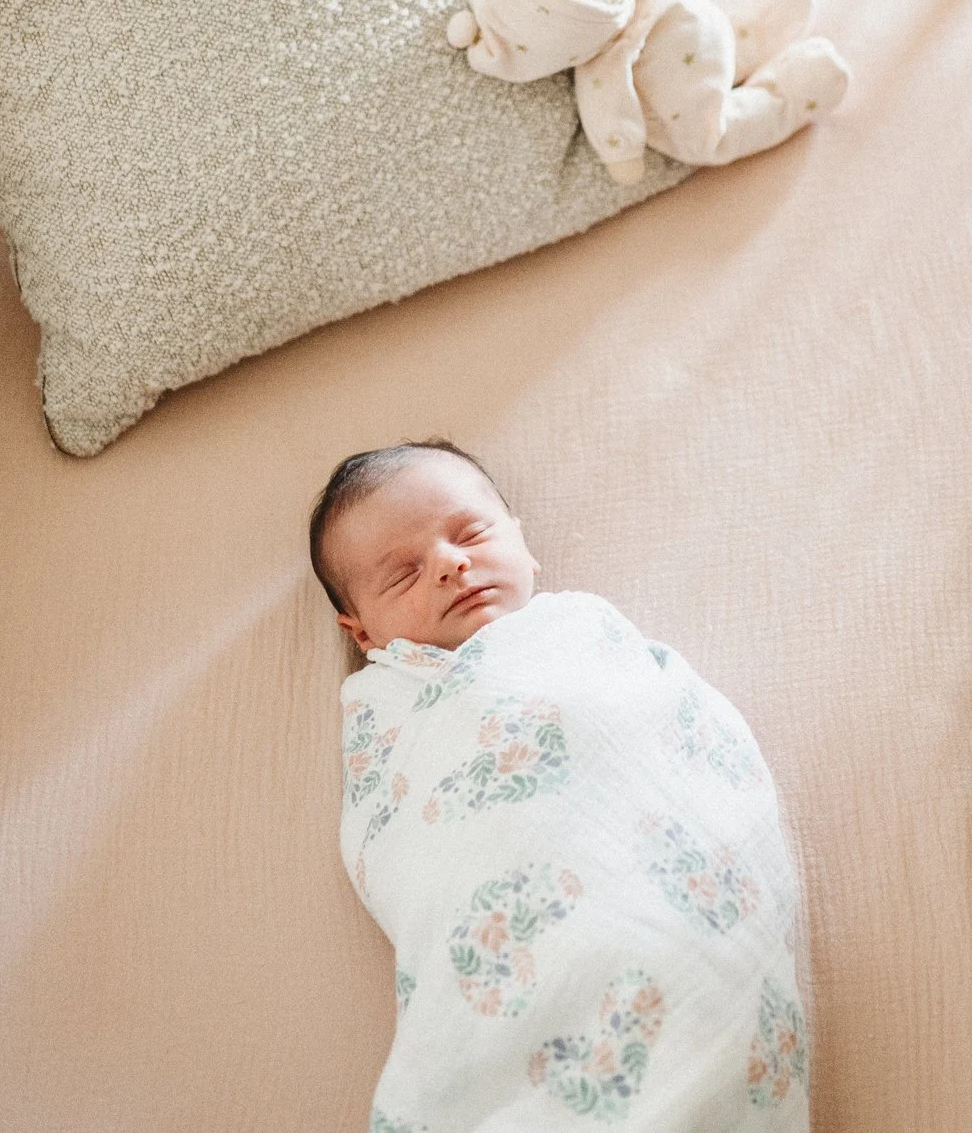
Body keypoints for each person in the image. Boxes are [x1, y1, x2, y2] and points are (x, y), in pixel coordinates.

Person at [314, 442, 809, 1131]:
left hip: (657, 921)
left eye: (472, 533)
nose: (451, 563)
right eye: (403, 574)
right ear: (361, 631)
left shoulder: (580, 634)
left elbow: (664, 728)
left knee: (692, 994)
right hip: (522, 957)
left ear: (522, 540)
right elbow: (400, 843)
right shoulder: (389, 714)